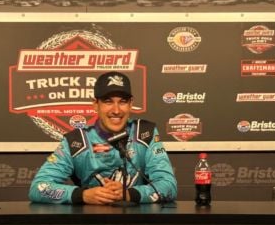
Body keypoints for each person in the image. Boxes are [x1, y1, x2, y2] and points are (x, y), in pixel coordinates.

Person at [28, 71, 177, 205]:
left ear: (131, 104)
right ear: (95, 105)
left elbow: (169, 186)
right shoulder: (76, 141)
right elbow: (38, 187)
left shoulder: (145, 133)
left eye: (123, 102)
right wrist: (83, 195)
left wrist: (129, 194)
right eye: (108, 101)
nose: (116, 110)